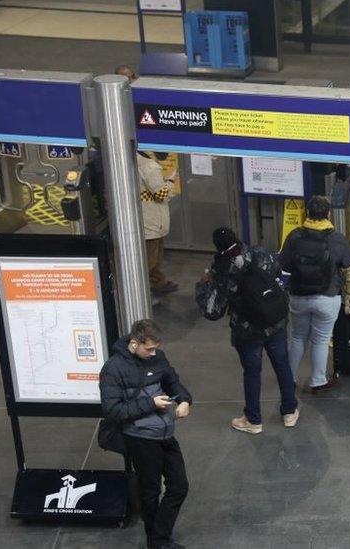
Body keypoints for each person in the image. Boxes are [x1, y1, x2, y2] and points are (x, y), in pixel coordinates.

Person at [99, 319, 191, 549]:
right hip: (139, 438)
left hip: (165, 433)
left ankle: (157, 536)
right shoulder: (113, 369)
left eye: (155, 348)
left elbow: (173, 382)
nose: (153, 353)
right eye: (148, 348)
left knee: (179, 486)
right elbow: (112, 410)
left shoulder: (157, 358)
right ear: (133, 343)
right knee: (150, 490)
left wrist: (184, 400)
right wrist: (150, 404)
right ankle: (157, 541)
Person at [206, 227, 298, 434]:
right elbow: (277, 272)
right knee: (282, 365)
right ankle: (290, 412)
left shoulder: (223, 270)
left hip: (247, 330)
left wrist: (205, 284)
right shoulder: (259, 252)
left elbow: (213, 311)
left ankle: (253, 420)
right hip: (275, 322)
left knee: (252, 372)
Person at [279, 196, 350, 394]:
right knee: (320, 340)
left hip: (299, 296)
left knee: (297, 337)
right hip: (327, 297)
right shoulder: (336, 238)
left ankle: (289, 378)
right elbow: (348, 262)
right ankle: (318, 381)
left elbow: (284, 264)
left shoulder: (295, 236)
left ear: (307, 213)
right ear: (328, 214)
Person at [137, 150, 178, 297]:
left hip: (150, 221)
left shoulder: (136, 160)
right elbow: (161, 195)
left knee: (154, 257)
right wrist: (171, 181)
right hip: (152, 222)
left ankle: (157, 282)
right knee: (150, 259)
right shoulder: (149, 166)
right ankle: (146, 292)